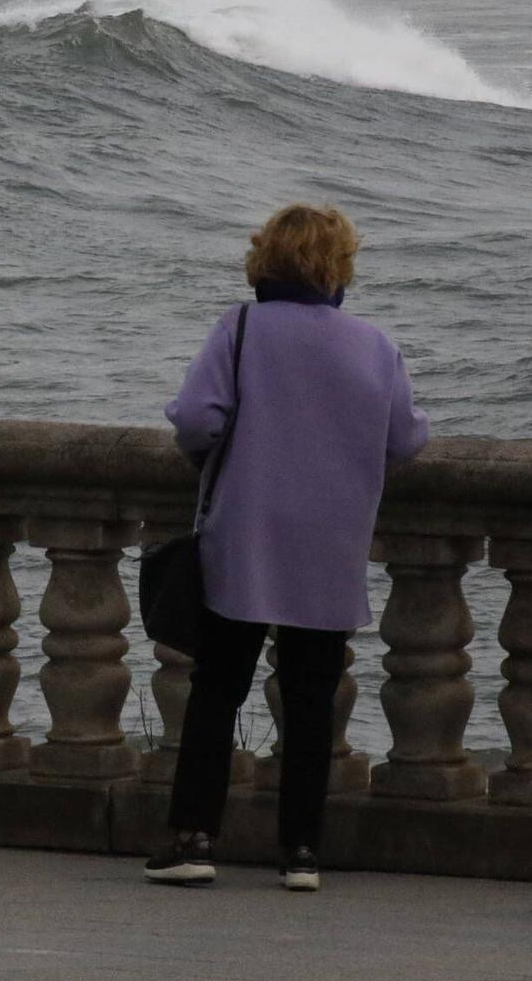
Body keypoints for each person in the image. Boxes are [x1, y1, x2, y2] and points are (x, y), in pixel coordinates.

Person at [145, 203, 429, 892]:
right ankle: (301, 850)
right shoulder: (374, 346)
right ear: (339, 267)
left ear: (265, 258)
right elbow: (407, 439)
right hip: (329, 544)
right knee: (310, 700)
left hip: (244, 536)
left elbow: (194, 419)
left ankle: (193, 837)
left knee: (217, 689)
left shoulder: (239, 329)